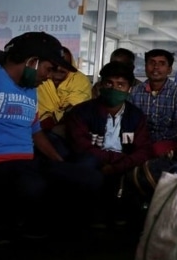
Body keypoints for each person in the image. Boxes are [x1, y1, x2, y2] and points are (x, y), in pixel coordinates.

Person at [0, 32, 74, 242]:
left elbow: (35, 131)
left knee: (79, 178)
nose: (48, 76)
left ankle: (28, 228)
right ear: (32, 62)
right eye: (48, 68)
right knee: (32, 183)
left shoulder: (30, 90)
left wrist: (60, 164)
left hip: (20, 164)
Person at [62, 61, 153, 226]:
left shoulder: (136, 115)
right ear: (101, 85)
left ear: (129, 89)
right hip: (94, 163)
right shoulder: (82, 112)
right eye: (109, 83)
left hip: (123, 164)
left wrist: (117, 165)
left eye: (121, 85)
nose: (114, 89)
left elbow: (143, 150)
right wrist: (111, 159)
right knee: (86, 164)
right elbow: (80, 146)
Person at [129, 49, 177, 157]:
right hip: (139, 140)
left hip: (168, 141)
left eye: (161, 64)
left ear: (169, 70)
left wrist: (152, 140)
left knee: (153, 151)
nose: (156, 67)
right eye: (152, 63)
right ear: (145, 67)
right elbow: (129, 122)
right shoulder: (134, 91)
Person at [37, 47, 92, 135]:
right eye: (55, 64)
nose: (59, 68)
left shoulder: (80, 80)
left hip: (70, 129)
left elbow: (73, 110)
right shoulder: (40, 78)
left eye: (64, 65)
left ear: (71, 65)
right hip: (37, 130)